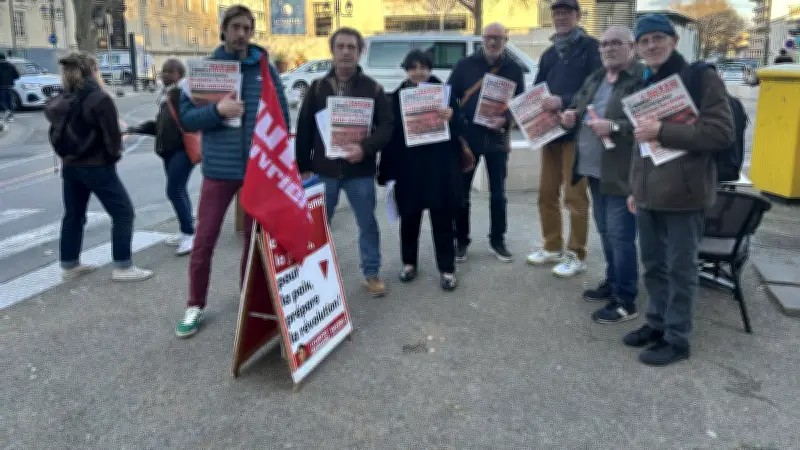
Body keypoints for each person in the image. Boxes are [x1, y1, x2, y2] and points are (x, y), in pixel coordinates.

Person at [175, 4, 290, 338]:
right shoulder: (206, 70)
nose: (242, 34)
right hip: (218, 171)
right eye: (236, 27)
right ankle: (195, 304)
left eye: (247, 28)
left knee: (254, 245)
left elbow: (282, 115)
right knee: (204, 239)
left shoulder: (265, 68)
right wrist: (216, 110)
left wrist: (282, 160)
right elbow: (187, 119)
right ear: (223, 29)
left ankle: (247, 302)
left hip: (258, 170)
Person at [625, 14, 733, 366]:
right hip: (648, 194)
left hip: (685, 195)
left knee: (680, 269)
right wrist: (633, 188)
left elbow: (720, 134)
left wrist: (663, 131)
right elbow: (640, 144)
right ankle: (657, 324)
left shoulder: (701, 77)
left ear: (673, 40)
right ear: (638, 48)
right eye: (644, 40)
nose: (652, 45)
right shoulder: (645, 82)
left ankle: (677, 338)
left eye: (658, 38)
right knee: (653, 266)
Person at [295, 27, 393, 297]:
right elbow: (304, 129)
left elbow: (387, 126)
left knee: (367, 224)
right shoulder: (317, 88)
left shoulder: (373, 88)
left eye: (352, 47)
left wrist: (365, 148)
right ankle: (311, 275)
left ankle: (371, 273)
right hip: (323, 172)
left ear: (359, 52)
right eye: (341, 46)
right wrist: (303, 167)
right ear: (333, 51)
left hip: (359, 171)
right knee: (317, 227)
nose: (346, 51)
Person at [44, 52, 153, 282]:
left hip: (70, 167)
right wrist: (113, 156)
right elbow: (111, 137)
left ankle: (69, 264)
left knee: (74, 215)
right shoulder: (99, 98)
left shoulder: (64, 98)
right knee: (123, 213)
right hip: (97, 166)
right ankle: (123, 267)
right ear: (93, 70)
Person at [560, 26, 642, 323]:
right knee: (607, 232)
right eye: (605, 44)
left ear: (631, 47)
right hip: (593, 170)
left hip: (621, 173)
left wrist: (615, 126)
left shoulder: (639, 78)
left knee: (621, 237)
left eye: (616, 43)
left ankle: (626, 300)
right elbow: (578, 107)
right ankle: (614, 282)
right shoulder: (595, 77)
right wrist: (570, 115)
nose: (608, 49)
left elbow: (650, 123)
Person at [526, 0, 602, 278]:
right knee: (546, 193)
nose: (561, 17)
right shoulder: (549, 53)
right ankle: (552, 245)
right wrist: (525, 110)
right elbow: (537, 89)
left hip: (577, 134)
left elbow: (597, 86)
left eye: (567, 13)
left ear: (578, 16)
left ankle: (576, 253)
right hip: (550, 134)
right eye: (556, 13)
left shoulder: (591, 48)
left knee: (574, 196)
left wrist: (565, 101)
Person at [376, 49, 462, 291]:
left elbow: (461, 130)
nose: (418, 72)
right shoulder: (396, 97)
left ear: (430, 68)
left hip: (439, 169)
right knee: (409, 219)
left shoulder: (445, 94)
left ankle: (447, 269)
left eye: (423, 66)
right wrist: (386, 172)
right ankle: (409, 263)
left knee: (443, 221)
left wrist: (453, 117)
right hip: (409, 170)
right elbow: (391, 138)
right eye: (413, 67)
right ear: (406, 70)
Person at [447, 22, 524, 263]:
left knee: (499, 193)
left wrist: (506, 119)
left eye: (498, 38)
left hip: (497, 137)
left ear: (506, 40)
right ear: (482, 38)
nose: (493, 42)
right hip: (469, 137)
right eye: (489, 37)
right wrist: (460, 121)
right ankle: (461, 241)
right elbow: (449, 97)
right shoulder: (464, 65)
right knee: (461, 192)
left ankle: (498, 240)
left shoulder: (514, 68)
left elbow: (522, 103)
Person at [125, 59, 196, 256]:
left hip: (183, 150)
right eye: (163, 71)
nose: (165, 75)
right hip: (169, 150)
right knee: (179, 190)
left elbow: (191, 120)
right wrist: (137, 128)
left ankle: (189, 235)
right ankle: (187, 229)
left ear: (180, 74)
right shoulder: (168, 95)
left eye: (170, 72)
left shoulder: (182, 93)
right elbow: (161, 126)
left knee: (174, 190)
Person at [0, 52, 20, 124]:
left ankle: (7, 111)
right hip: (10, 87)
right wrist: (11, 79)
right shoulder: (11, 66)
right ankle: (10, 117)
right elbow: (17, 76)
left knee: (2, 101)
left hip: (1, 87)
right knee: (10, 102)